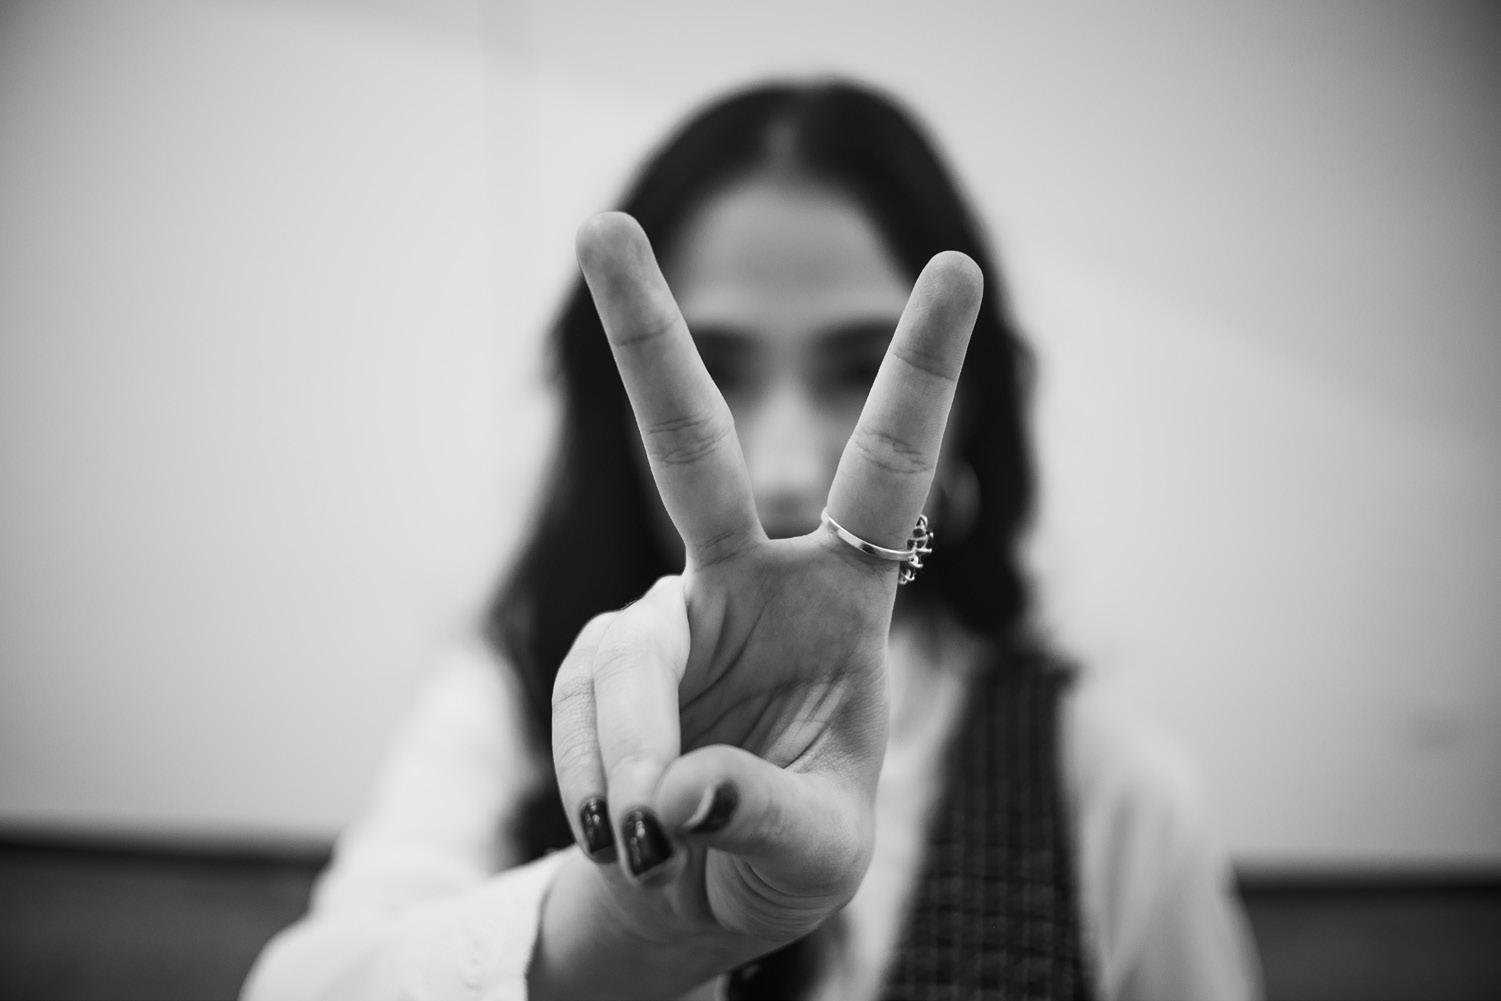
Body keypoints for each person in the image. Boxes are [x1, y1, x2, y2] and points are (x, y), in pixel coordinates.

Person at [242, 80, 1261, 1001]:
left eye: (859, 369)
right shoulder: (512, 703)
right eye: (716, 367)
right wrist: (617, 937)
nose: (779, 466)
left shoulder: (1106, 789)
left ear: (968, 410)